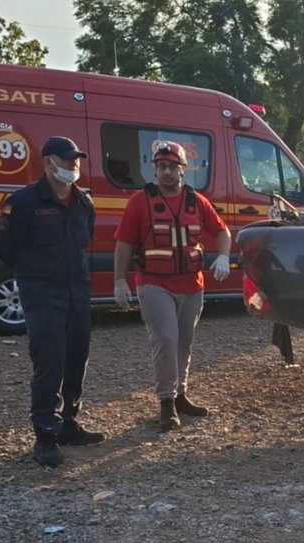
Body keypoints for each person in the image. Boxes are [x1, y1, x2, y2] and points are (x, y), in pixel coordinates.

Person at [0, 136, 105, 467]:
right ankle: (45, 435)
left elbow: (86, 239)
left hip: (77, 291)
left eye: (76, 160)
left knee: (76, 358)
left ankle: (69, 424)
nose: (73, 166)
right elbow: (6, 248)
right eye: (67, 160)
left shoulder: (84, 203)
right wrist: (36, 275)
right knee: (49, 360)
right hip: (42, 293)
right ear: (48, 162)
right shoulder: (25, 201)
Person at [112, 141, 232, 431]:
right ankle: (166, 402)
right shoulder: (140, 202)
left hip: (191, 284)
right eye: (161, 167)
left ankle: (181, 395)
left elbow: (222, 231)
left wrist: (224, 256)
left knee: (183, 342)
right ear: (155, 169)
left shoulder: (197, 201)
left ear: (183, 170)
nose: (166, 172)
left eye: (172, 167)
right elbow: (124, 242)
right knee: (165, 339)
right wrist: (119, 280)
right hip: (154, 283)